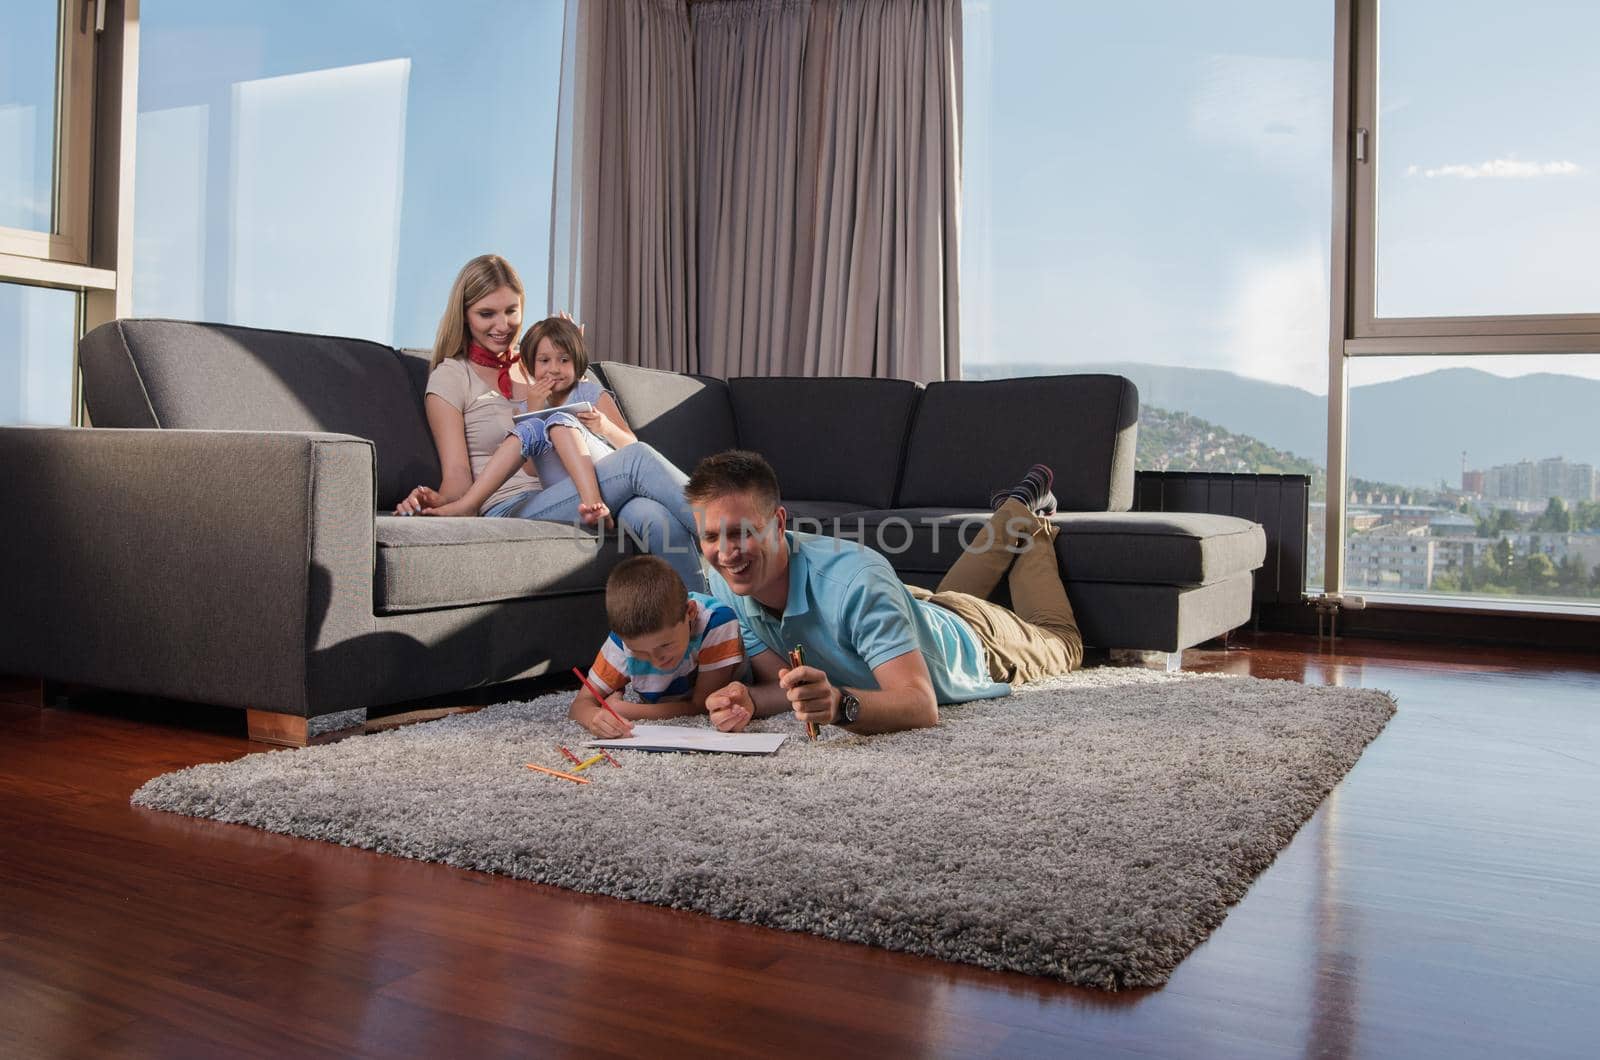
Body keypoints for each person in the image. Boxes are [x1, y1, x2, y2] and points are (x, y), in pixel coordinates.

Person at [688, 450, 1083, 736]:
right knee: (936, 598)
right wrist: (751, 700)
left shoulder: (858, 581)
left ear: (777, 523)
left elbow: (920, 704)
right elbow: (788, 686)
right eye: (710, 536)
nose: (725, 553)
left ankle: (1030, 520)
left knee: (1063, 641)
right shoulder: (725, 580)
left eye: (741, 532)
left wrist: (841, 705)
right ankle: (1013, 509)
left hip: (975, 640)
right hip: (911, 609)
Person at [394, 254, 703, 589]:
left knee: (655, 518)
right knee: (638, 460)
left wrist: (572, 357)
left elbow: (604, 431)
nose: (502, 325)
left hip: (576, 490)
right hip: (511, 504)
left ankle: (712, 629)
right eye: (486, 314)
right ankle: (742, 533)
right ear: (464, 315)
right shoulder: (451, 376)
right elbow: (457, 474)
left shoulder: (542, 363)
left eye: (511, 311)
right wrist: (437, 501)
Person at [570, 556, 746, 737]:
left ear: (691, 612)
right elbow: (580, 704)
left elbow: (701, 705)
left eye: (665, 645)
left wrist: (623, 709)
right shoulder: (623, 640)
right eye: (639, 652)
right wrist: (593, 717)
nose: (656, 660)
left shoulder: (717, 622)